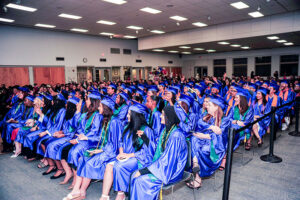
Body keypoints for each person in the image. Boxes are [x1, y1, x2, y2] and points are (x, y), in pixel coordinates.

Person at [64, 97, 122, 200]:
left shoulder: (114, 122)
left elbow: (116, 144)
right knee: (82, 159)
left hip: (111, 152)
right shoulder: (105, 119)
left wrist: (101, 150)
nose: (98, 108)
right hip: (102, 148)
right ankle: (77, 190)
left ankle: (81, 191)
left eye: (100, 106)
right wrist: (91, 141)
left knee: (90, 163)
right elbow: (100, 138)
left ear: (105, 108)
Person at [99, 102, 155, 200]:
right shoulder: (127, 127)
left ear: (136, 116)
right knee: (109, 165)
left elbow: (147, 152)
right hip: (126, 156)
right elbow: (120, 142)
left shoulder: (146, 130)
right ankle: (105, 196)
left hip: (139, 159)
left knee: (119, 166)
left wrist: (128, 155)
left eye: (129, 114)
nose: (127, 115)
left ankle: (121, 193)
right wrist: (121, 153)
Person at [130, 105, 187, 200]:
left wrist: (144, 171)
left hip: (171, 171)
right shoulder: (165, 131)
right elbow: (157, 149)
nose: (160, 116)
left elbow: (168, 161)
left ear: (169, 117)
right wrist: (145, 138)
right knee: (134, 175)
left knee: (140, 180)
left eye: (163, 115)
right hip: (162, 166)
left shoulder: (176, 135)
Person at [187, 96, 231, 188]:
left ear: (216, 107)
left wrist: (204, 136)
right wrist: (211, 127)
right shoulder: (207, 116)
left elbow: (220, 136)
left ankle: (197, 178)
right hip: (204, 141)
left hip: (216, 146)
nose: (206, 106)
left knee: (201, 149)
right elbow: (199, 123)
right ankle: (196, 166)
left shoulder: (225, 120)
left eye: (209, 105)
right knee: (193, 139)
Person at [66, 92, 103, 189]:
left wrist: (79, 140)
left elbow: (95, 133)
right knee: (71, 151)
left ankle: (77, 180)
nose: (85, 101)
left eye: (87, 99)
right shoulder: (86, 114)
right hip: (83, 139)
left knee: (74, 152)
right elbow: (76, 126)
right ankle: (76, 178)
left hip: (92, 142)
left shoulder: (98, 116)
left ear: (92, 102)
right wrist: (77, 112)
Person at [43, 97, 81, 180]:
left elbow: (75, 131)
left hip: (71, 137)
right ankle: (56, 166)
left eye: (67, 104)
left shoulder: (77, 116)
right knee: (48, 143)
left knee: (52, 145)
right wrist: (60, 132)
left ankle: (61, 169)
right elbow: (65, 128)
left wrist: (63, 135)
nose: (66, 105)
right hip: (66, 135)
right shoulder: (68, 114)